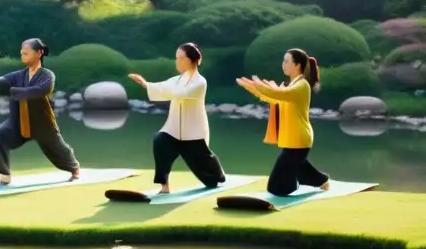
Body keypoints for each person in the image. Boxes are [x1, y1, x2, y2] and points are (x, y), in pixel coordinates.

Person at [0, 38, 80, 185]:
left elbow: (41, 90)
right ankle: (4, 174)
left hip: (42, 122)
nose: (23, 56)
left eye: (26, 53)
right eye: (22, 53)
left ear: (39, 53)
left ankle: (74, 168)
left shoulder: (47, 75)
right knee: (0, 135)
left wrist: (15, 91)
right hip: (18, 121)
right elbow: (4, 80)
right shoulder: (19, 75)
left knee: (58, 148)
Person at [127, 42, 226, 195]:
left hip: (192, 132)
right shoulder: (177, 79)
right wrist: (146, 84)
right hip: (172, 129)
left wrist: (151, 86)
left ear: (191, 60)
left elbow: (180, 93)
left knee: (209, 177)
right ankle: (164, 186)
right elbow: (163, 86)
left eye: (180, 58)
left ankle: (218, 176)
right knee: (160, 142)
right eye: (176, 58)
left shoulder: (200, 82)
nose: (177, 62)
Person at [236, 48, 330, 196]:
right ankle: (320, 180)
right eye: (283, 61)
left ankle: (296, 184)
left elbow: (277, 93)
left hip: (298, 140)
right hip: (292, 139)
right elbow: (274, 98)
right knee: (298, 165)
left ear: (297, 65)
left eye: (287, 61)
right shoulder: (293, 84)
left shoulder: (302, 85)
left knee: (276, 187)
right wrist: (253, 88)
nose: (283, 64)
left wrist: (259, 85)